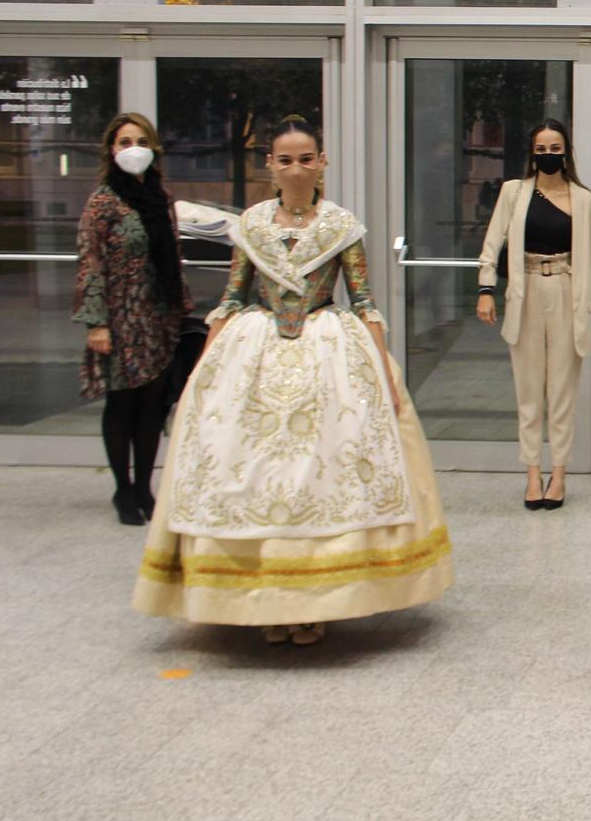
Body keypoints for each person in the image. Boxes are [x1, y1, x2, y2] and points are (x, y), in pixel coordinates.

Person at [132, 116, 453, 645]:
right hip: (254, 353)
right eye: (285, 159)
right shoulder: (252, 225)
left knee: (326, 470)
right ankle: (260, 600)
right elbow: (234, 296)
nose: (297, 167)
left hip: (329, 349)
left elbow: (364, 299)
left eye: (306, 158)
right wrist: (201, 372)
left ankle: (314, 603)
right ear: (270, 165)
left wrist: (386, 376)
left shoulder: (341, 225)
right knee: (248, 468)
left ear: (322, 162)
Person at [477, 118, 591, 510]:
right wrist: (486, 287)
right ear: (532, 153)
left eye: (555, 148)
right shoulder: (514, 193)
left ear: (566, 151)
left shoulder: (583, 199)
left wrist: (587, 295)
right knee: (529, 389)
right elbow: (493, 240)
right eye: (541, 149)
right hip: (526, 289)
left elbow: (588, 259)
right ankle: (533, 472)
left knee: (563, 390)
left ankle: (560, 472)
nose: (549, 156)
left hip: (566, 289)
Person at [73, 113, 191, 526]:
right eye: (125, 142)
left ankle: (145, 486)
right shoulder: (103, 202)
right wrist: (97, 323)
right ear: (112, 149)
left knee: (152, 406)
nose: (133, 148)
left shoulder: (163, 200)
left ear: (153, 147)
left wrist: (180, 311)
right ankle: (123, 490)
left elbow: (172, 259)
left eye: (141, 140)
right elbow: (90, 263)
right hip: (120, 318)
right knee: (121, 404)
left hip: (157, 317)